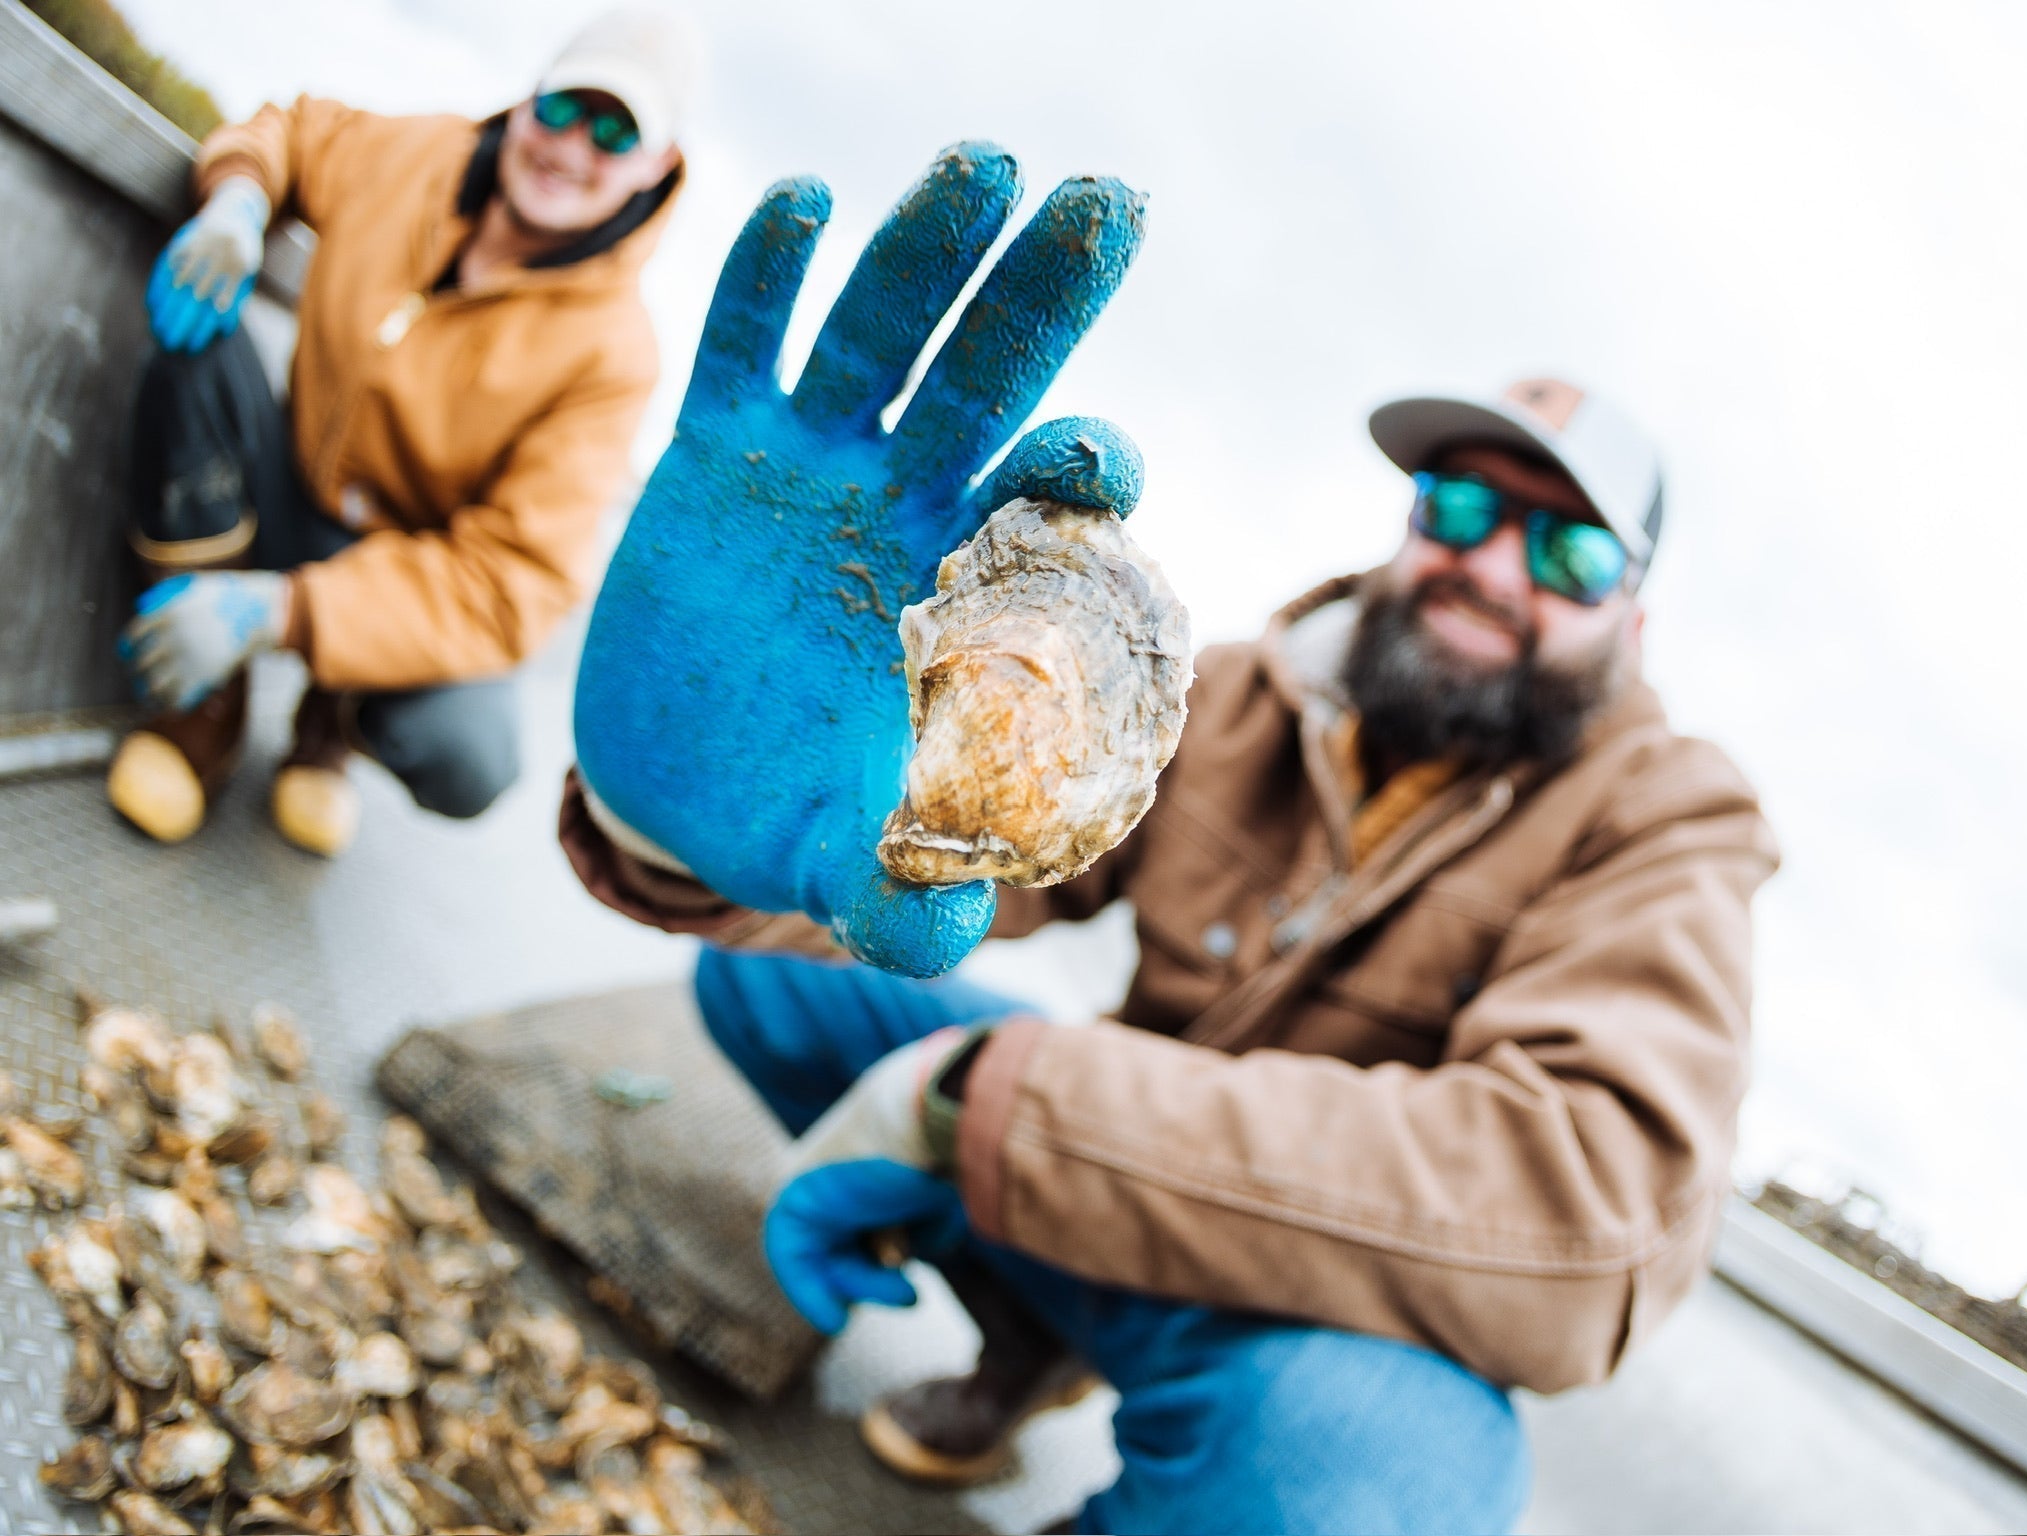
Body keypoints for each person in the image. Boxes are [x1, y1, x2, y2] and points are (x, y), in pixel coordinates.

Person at [566, 374, 1781, 1533]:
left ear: (1635, 614)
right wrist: (688, 828)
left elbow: (1583, 1206)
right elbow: (959, 860)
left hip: (1284, 1302)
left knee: (1366, 1477)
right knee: (776, 972)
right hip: (1093, 1182)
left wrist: (982, 1101)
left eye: (1571, 549)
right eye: (1459, 504)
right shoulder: (1239, 692)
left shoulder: (1668, 820)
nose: (1494, 565)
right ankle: (1030, 1333)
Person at [108, 5, 699, 856]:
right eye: (565, 109)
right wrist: (238, 198)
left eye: (614, 133)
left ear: (658, 164)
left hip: (392, 571)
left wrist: (283, 609)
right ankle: (201, 713)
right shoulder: (415, 154)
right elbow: (293, 130)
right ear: (530, 98)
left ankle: (330, 727)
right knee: (194, 348)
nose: (570, 149)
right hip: (285, 485)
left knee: (471, 754)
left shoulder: (617, 355)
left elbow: (508, 582)